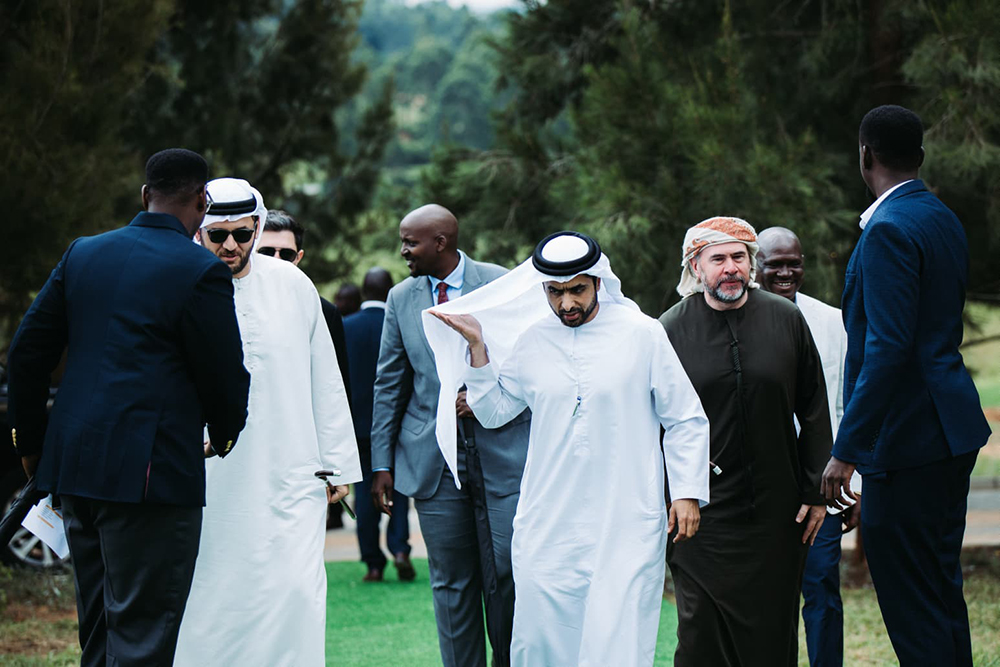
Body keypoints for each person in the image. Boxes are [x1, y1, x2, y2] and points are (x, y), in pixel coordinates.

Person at [6, 149, 251, 667]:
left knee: (98, 634)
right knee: (143, 637)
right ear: (203, 201)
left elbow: (27, 353)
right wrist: (226, 434)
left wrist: (31, 444)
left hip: (75, 469)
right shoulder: (201, 270)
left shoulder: (83, 253)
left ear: (146, 195)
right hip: (151, 476)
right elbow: (224, 374)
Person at [427, 231, 711, 666]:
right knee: (544, 633)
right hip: (549, 518)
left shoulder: (642, 334)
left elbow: (684, 418)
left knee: (618, 628)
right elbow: (496, 411)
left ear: (598, 282)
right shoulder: (534, 339)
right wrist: (479, 350)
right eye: (554, 292)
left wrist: (687, 492)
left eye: (576, 290)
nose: (566, 304)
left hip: (626, 515)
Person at [821, 105, 991, 666]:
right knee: (939, 593)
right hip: (948, 433)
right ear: (919, 156)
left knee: (913, 604)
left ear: (865, 155)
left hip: (911, 442)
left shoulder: (889, 230)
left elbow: (888, 349)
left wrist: (847, 451)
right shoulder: (939, 215)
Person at [173, 178, 361, 667]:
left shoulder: (294, 285)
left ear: (257, 227)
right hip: (208, 478)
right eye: (218, 235)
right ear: (199, 232)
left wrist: (337, 464)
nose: (231, 245)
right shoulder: (178, 282)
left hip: (289, 473)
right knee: (210, 595)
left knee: (294, 592)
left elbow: (326, 376)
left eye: (242, 233)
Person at [659, 216, 832, 667]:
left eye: (739, 257)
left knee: (772, 635)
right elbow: (656, 424)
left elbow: (813, 408)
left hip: (777, 514)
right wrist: (677, 493)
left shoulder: (785, 318)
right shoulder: (669, 330)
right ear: (696, 268)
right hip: (701, 515)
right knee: (700, 637)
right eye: (718, 259)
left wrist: (816, 493)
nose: (731, 268)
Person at [370, 204, 530, 667]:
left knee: (508, 572)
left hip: (505, 453)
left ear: (441, 242)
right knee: (451, 582)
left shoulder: (500, 281)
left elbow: (528, 360)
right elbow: (389, 383)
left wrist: (486, 394)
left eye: (410, 242)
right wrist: (382, 462)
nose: (403, 251)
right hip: (433, 460)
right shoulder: (401, 298)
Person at [758, 226, 850, 667]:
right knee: (767, 598)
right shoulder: (736, 319)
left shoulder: (832, 321)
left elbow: (845, 404)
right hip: (760, 486)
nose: (785, 272)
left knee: (822, 591)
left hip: (823, 483)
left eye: (793, 262)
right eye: (774, 263)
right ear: (755, 266)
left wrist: (856, 483)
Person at [260, 209, 351, 529]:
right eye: (266, 252)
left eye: (285, 253)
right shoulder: (222, 301)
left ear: (298, 257)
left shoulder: (322, 311)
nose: (276, 259)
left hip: (300, 455)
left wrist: (337, 465)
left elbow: (336, 390)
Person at [343, 267, 414, 582]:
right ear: (390, 292)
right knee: (397, 489)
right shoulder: (401, 324)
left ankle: (373, 562)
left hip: (357, 427)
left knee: (363, 493)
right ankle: (399, 549)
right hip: (397, 425)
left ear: (363, 290)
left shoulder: (346, 328)